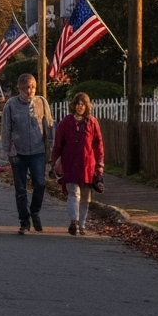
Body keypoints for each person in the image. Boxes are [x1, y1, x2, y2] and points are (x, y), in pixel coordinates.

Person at [0, 73, 53, 234]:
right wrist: (6, 151)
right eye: (26, 88)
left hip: (38, 151)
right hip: (18, 153)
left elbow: (49, 126)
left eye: (32, 87)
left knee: (40, 183)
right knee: (21, 189)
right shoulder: (10, 105)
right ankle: (24, 220)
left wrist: (51, 150)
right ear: (19, 89)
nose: (29, 91)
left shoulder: (41, 102)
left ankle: (34, 211)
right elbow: (6, 130)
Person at [52, 91, 105, 236]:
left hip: (88, 165)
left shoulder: (92, 122)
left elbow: (98, 145)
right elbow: (58, 144)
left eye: (82, 104)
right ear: (73, 105)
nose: (80, 106)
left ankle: (82, 225)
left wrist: (99, 166)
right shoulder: (66, 122)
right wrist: (54, 162)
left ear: (87, 106)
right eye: (77, 103)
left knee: (85, 198)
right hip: (69, 163)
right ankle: (74, 221)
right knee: (73, 193)